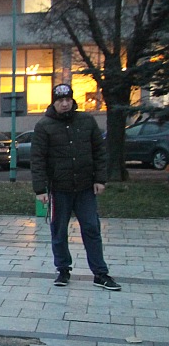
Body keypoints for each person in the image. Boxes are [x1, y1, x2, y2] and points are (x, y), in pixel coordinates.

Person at [31, 83, 120, 290]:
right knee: (59, 230)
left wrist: (100, 179)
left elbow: (99, 152)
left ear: (73, 101)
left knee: (91, 228)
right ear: (54, 102)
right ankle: (62, 269)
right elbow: (38, 160)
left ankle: (100, 273)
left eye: (68, 100)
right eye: (60, 100)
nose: (65, 104)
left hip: (85, 187)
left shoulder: (86, 121)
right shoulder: (44, 125)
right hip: (59, 188)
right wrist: (40, 189)